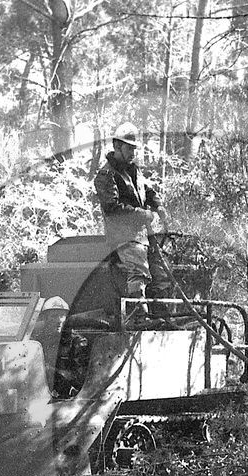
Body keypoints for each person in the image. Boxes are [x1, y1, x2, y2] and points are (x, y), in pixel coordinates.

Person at [93, 121, 171, 324]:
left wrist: (158, 205)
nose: (133, 153)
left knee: (160, 275)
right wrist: (142, 214)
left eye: (134, 149)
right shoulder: (106, 175)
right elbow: (112, 208)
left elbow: (148, 191)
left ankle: (161, 318)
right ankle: (139, 318)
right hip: (124, 237)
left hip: (143, 236)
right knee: (138, 273)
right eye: (129, 148)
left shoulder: (134, 172)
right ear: (117, 146)